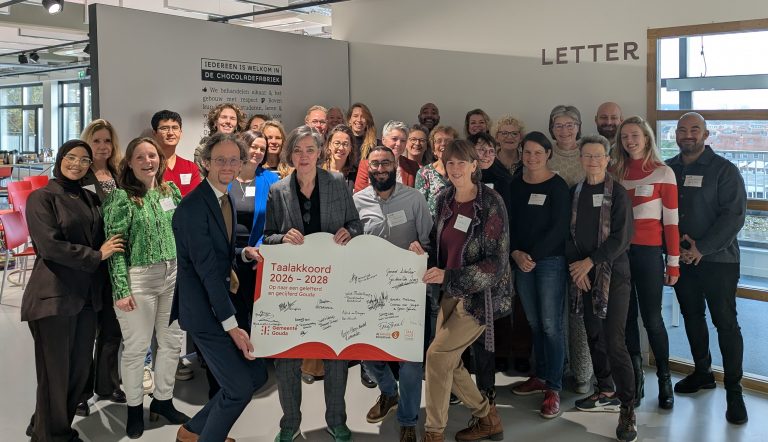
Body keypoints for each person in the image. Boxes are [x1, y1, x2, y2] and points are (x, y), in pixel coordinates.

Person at [263, 125, 363, 442]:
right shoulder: (278, 190)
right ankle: (289, 423)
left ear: (319, 153)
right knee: (288, 358)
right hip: (293, 288)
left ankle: (336, 420)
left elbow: (356, 224)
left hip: (333, 285)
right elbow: (266, 238)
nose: (304, 156)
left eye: (310, 150)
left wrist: (350, 231)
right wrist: (282, 238)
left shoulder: (336, 183)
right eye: (297, 150)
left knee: (335, 355)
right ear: (289, 154)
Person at [22, 139, 124, 442]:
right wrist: (96, 256)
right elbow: (49, 246)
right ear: (60, 159)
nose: (77, 164)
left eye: (84, 160)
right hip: (54, 298)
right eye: (71, 157)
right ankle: (52, 435)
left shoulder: (90, 199)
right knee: (56, 374)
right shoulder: (41, 198)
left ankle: (43, 424)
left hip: (86, 299)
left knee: (78, 374)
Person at [171, 133, 267, 441]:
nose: (228, 165)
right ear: (206, 163)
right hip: (205, 312)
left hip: (221, 304)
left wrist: (241, 253)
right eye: (220, 160)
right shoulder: (193, 207)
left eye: (234, 159)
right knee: (238, 389)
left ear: (241, 163)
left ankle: (192, 431)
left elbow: (219, 252)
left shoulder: (226, 198)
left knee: (256, 374)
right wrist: (232, 327)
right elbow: (207, 272)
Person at [421, 139, 512, 442]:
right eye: (450, 163)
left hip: (479, 299)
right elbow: (437, 241)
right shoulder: (445, 198)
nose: (456, 168)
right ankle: (487, 417)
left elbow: (495, 265)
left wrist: (449, 276)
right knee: (450, 361)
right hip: (448, 293)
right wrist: (420, 250)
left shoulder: (491, 202)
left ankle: (434, 432)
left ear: (475, 165)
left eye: (462, 162)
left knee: (436, 356)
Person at [666, 112, 748, 425]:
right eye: (683, 130)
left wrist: (702, 247)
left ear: (706, 134)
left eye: (694, 130)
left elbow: (734, 216)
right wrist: (676, 251)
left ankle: (734, 390)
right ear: (676, 134)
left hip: (718, 261)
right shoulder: (669, 169)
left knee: (725, 323)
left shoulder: (724, 170)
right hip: (683, 260)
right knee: (691, 316)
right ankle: (702, 373)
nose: (688, 135)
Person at [103, 137, 188, 438]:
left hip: (173, 277)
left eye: (153, 155)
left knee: (171, 342)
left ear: (160, 160)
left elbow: (183, 233)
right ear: (129, 162)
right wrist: (121, 290)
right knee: (137, 348)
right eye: (141, 157)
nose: (148, 161)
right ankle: (134, 409)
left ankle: (163, 400)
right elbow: (115, 249)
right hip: (138, 279)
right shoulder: (121, 198)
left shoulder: (170, 191)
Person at [354, 146, 432, 442]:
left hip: (409, 291)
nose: (381, 168)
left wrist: (423, 250)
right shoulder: (357, 202)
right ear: (368, 168)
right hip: (370, 289)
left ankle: (408, 420)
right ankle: (389, 392)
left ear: (396, 166)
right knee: (365, 350)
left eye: (386, 162)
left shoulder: (414, 199)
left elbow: (429, 240)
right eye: (375, 164)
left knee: (410, 360)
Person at [566, 134, 637, 442]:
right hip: (583, 274)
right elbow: (566, 235)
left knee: (615, 341)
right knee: (594, 335)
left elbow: (621, 239)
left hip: (613, 275)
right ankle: (604, 388)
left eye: (599, 156)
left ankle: (627, 407)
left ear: (608, 159)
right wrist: (577, 268)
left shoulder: (618, 194)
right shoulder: (575, 192)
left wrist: (590, 263)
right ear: (580, 159)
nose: (593, 161)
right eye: (588, 156)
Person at [612, 116, 679, 409]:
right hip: (620, 255)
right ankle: (634, 379)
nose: (630, 141)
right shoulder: (615, 172)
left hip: (650, 254)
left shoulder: (664, 173)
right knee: (626, 320)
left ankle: (665, 380)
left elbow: (672, 224)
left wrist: (673, 263)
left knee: (652, 319)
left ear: (647, 137)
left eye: (635, 135)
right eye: (625, 136)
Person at [509, 131, 570, 419]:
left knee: (551, 326)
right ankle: (540, 376)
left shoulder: (558, 186)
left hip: (549, 263)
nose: (531, 157)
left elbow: (559, 229)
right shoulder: (515, 184)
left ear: (548, 154)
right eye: (526, 152)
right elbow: (509, 224)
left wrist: (532, 256)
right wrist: (516, 254)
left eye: (537, 152)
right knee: (534, 323)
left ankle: (554, 388)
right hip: (521, 261)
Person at [76, 119, 125, 416]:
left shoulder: (119, 173)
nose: (103, 146)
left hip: (117, 260)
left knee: (112, 327)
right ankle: (80, 392)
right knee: (85, 333)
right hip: (92, 259)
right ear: (87, 143)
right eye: (97, 141)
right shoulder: (81, 175)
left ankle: (107, 384)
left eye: (107, 140)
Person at [546, 104, 593, 394]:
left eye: (570, 124)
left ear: (579, 126)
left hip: (582, 247)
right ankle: (554, 370)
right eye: (559, 125)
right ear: (552, 128)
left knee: (578, 313)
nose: (564, 130)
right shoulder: (544, 155)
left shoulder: (588, 154)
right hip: (551, 246)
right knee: (551, 314)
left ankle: (583, 373)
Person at [466, 132, 515, 400]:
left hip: (490, 265)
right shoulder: (462, 178)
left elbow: (508, 223)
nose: (485, 154)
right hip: (462, 265)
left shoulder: (504, 178)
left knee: (485, 328)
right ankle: (460, 385)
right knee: (459, 327)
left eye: (489, 150)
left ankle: (486, 388)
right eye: (479, 149)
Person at [229, 130, 280, 334]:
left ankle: (255, 359)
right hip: (227, 255)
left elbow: (276, 220)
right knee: (232, 313)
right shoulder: (226, 175)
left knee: (256, 311)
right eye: (254, 147)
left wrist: (261, 250)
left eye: (262, 149)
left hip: (257, 257)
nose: (258, 152)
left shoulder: (270, 180)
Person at [354, 120, 420, 193]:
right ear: (383, 140)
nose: (398, 144)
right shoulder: (366, 164)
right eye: (394, 139)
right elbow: (360, 195)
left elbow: (415, 195)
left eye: (403, 140)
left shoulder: (412, 166)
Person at [152, 109, 201, 197]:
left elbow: (195, 199)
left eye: (175, 128)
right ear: (154, 133)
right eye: (164, 128)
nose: (170, 133)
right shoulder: (149, 166)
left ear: (180, 132)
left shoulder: (191, 168)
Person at [194, 103, 247, 175]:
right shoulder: (201, 150)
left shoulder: (243, 150)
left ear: (237, 124)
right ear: (215, 122)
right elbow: (201, 180)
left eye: (232, 118)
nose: (228, 121)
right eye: (224, 117)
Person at [322, 124, 358, 192]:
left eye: (345, 144)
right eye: (337, 143)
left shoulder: (356, 173)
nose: (341, 148)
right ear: (329, 145)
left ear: (350, 148)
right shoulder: (318, 170)